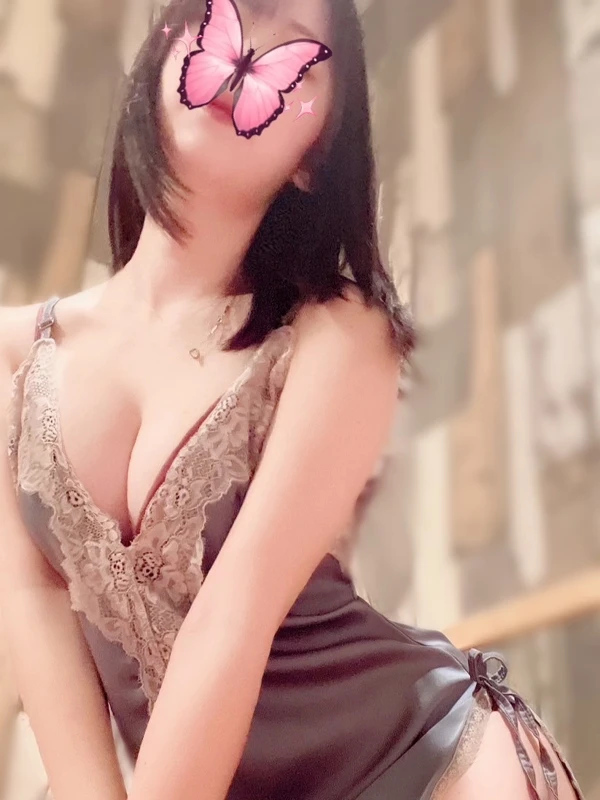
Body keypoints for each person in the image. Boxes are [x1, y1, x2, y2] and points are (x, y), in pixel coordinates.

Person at [0, 0, 585, 798]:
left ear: (313, 159)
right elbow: (31, 594)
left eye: (296, 57)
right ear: (165, 47)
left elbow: (232, 617)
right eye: (234, 12)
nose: (247, 54)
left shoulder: (338, 335)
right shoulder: (15, 356)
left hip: (417, 767)